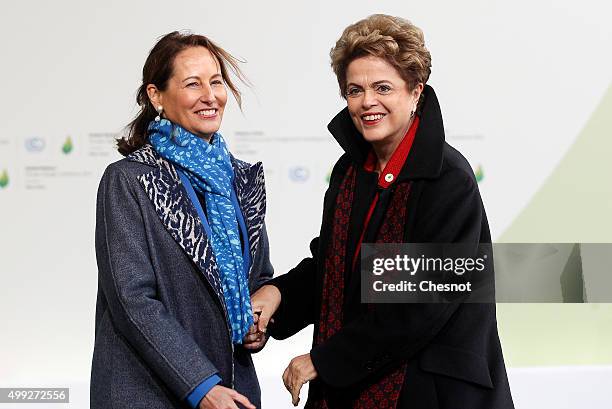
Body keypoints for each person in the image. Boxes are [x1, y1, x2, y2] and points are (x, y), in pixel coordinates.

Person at [249, 14, 514, 408]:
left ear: (415, 92)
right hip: (359, 385)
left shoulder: (448, 179)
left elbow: (420, 307)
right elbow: (338, 270)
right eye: (354, 90)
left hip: (433, 393)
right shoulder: (351, 172)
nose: (367, 101)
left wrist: (323, 360)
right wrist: (277, 297)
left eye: (382, 87)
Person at [91, 31, 272, 409]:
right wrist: (201, 386)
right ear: (156, 96)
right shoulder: (129, 179)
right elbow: (133, 300)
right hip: (150, 392)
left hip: (234, 388)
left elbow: (259, 278)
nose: (210, 95)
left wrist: (258, 321)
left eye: (217, 81)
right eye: (193, 84)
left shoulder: (239, 180)